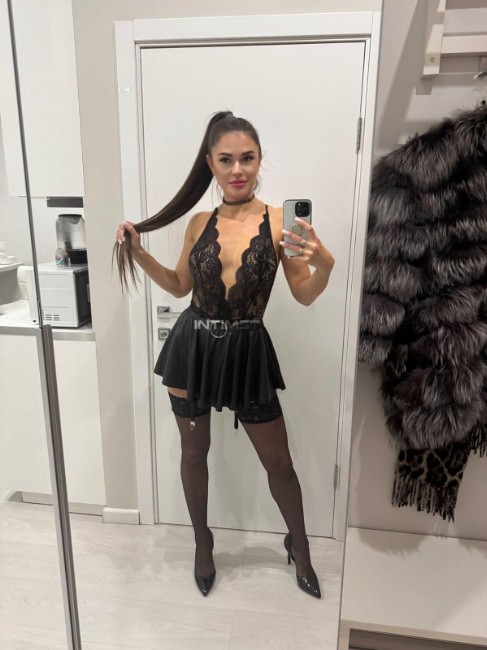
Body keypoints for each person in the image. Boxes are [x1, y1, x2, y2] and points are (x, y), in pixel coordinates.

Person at [114, 111, 335, 599]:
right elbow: (179, 285)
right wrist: (139, 253)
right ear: (210, 164)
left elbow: (303, 294)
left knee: (279, 463)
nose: (238, 170)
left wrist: (325, 264)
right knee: (194, 453)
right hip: (192, 349)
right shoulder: (199, 222)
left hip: (247, 352)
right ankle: (203, 541)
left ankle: (299, 546)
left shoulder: (281, 222)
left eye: (247, 158)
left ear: (259, 160)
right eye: (226, 160)